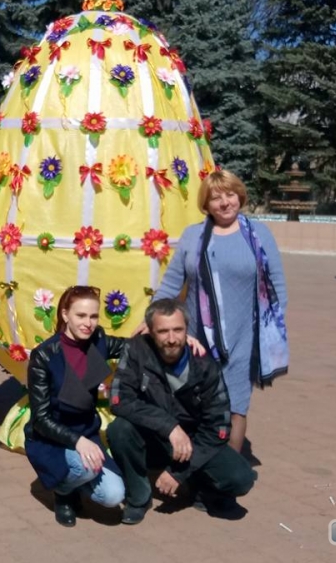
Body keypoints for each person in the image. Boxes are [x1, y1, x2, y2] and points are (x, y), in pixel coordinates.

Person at [134, 170, 288, 454]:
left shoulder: (258, 234)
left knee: (234, 407)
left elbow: (276, 286)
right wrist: (151, 319)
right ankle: (195, 469)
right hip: (197, 339)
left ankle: (224, 478)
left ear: (240, 196)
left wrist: (269, 333)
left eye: (230, 195)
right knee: (198, 404)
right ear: (206, 204)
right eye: (216, 198)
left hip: (244, 337)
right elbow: (171, 283)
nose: (225, 202)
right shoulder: (193, 236)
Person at [108, 299, 257, 524]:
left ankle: (201, 489)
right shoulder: (136, 350)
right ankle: (138, 497)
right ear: (150, 332)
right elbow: (119, 400)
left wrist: (178, 473)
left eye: (178, 330)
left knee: (241, 478)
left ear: (187, 330)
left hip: (194, 442)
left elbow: (219, 427)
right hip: (154, 436)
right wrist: (169, 426)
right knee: (119, 429)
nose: (171, 338)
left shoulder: (205, 365)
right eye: (163, 331)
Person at [24, 286, 126, 527]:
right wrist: (78, 442)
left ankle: (75, 481)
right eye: (81, 316)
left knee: (114, 496)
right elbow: (40, 418)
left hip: (87, 430)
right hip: (50, 437)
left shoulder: (99, 340)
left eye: (93, 316)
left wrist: (172, 338)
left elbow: (135, 347)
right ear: (65, 314)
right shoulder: (44, 356)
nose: (88, 323)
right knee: (86, 468)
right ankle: (63, 494)